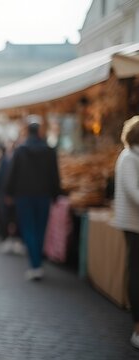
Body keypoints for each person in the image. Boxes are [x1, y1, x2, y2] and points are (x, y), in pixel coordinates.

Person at [5, 120, 60, 281]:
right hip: (43, 195)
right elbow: (54, 174)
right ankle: (38, 264)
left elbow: (12, 173)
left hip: (24, 195)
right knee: (41, 229)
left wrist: (9, 192)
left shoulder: (20, 151)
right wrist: (55, 194)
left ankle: (35, 264)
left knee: (29, 229)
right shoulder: (49, 151)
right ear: (40, 132)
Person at [111, 116, 139, 349]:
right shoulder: (130, 157)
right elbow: (134, 192)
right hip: (133, 224)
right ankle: (137, 326)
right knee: (136, 273)